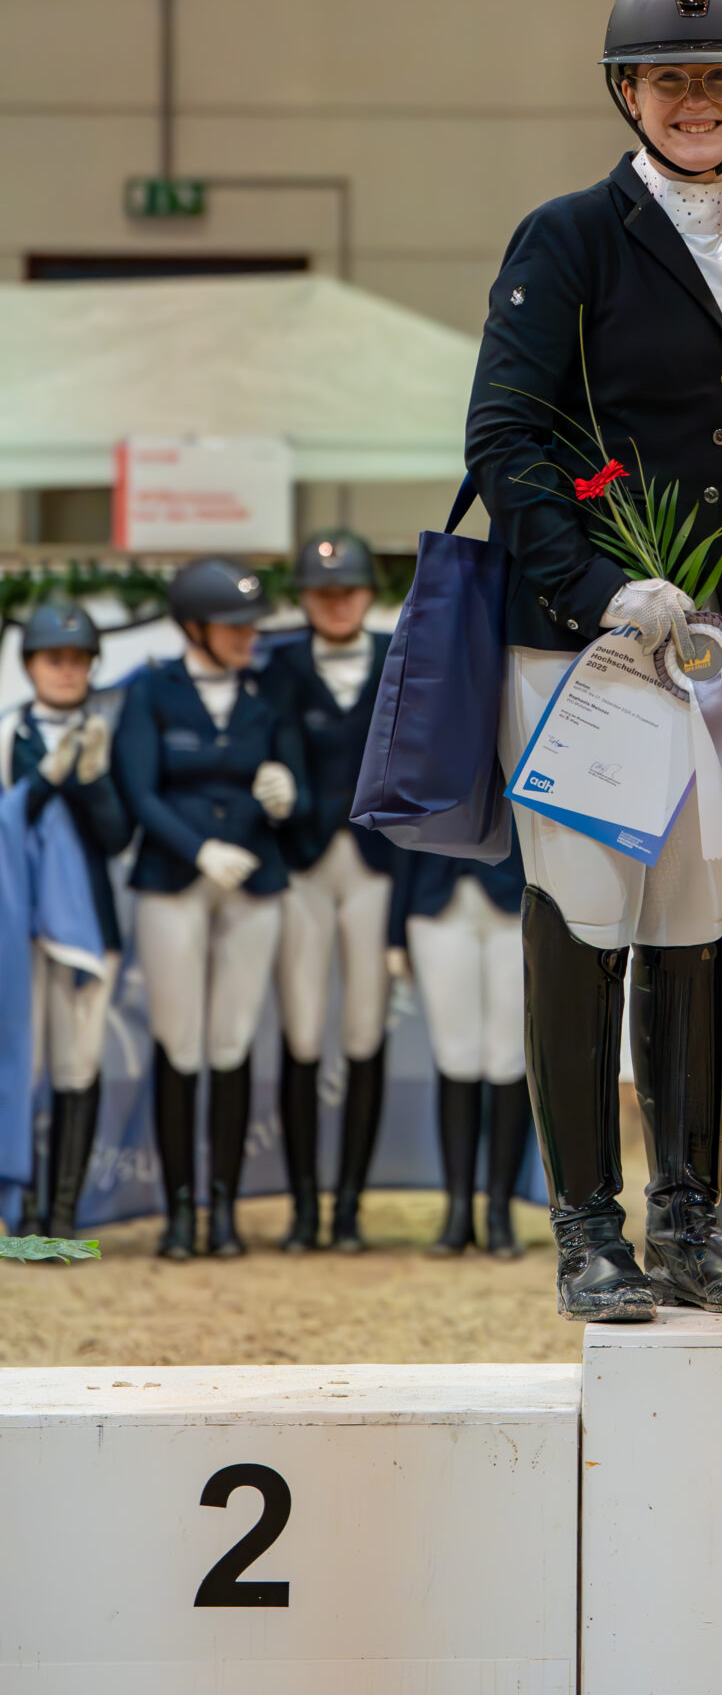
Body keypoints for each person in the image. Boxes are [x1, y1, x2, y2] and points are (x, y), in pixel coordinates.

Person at [466, 0, 722, 1323]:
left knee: (693, 927)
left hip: (716, 652)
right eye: (670, 80)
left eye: (718, 79)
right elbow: (505, 433)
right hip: (585, 648)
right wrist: (599, 584)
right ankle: (588, 1232)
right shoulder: (568, 236)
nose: (695, 101)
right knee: (583, 918)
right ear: (629, 91)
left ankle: (692, 1225)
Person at [114, 559, 307, 1261]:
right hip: (174, 880)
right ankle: (177, 1211)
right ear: (195, 628)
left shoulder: (265, 695)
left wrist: (287, 795)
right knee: (179, 1041)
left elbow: (299, 793)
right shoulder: (151, 692)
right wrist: (198, 850)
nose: (247, 637)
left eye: (252, 625)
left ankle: (222, 1211)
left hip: (253, 883)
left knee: (231, 1044)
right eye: (233, 626)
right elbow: (140, 793)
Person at [263, 531, 397, 1254]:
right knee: (303, 1029)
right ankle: (303, 1208)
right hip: (304, 862)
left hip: (374, 863)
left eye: (346, 589)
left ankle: (348, 1208)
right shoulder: (279, 664)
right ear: (305, 599)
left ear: (367, 593)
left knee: (365, 1030)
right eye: (321, 591)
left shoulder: (395, 658)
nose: (336, 602)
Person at [0, 601, 130, 1239]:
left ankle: (62, 1218)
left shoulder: (105, 735)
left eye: (79, 661)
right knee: (23, 1065)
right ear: (30, 665)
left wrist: (94, 780)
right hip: (19, 928)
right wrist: (47, 780)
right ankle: (20, 1213)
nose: (68, 671)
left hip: (90, 925)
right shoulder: (7, 735)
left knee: (78, 1063)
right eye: (56, 659)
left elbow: (115, 837)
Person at [392, 828, 530, 1258]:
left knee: (509, 1057)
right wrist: (393, 931)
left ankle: (500, 1212)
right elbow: (404, 819)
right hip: (435, 896)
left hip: (520, 893)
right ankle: (456, 1210)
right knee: (455, 1057)